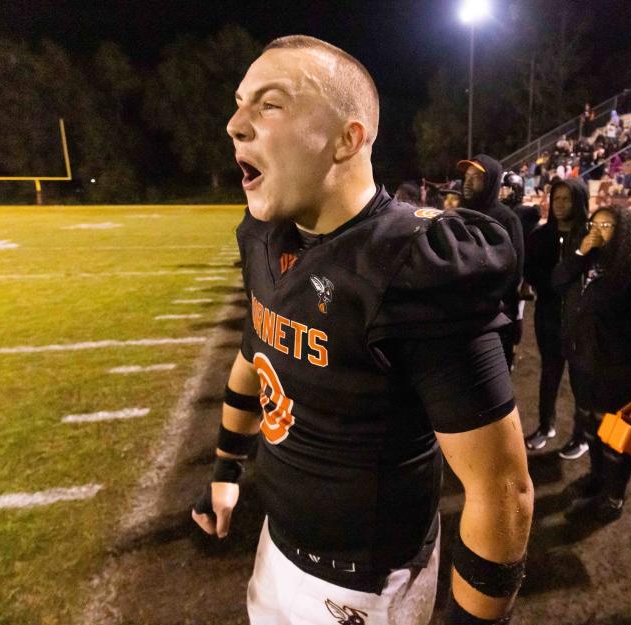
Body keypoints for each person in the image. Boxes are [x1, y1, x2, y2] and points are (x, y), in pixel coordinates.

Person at [193, 35, 533, 625]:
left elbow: (502, 490)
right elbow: (256, 353)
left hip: (366, 590)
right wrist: (226, 469)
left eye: (269, 104)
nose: (234, 124)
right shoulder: (264, 237)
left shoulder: (410, 263)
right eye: (240, 102)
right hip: (275, 544)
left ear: (347, 139)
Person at [552, 204, 631, 523]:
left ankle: (614, 495)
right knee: (589, 422)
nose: (597, 231)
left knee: (617, 434)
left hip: (618, 369)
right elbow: (557, 281)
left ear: (625, 232)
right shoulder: (588, 260)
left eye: (607, 226)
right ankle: (597, 476)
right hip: (583, 362)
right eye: (594, 224)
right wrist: (579, 252)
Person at [522, 178, 590, 457]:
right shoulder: (540, 236)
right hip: (548, 317)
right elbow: (531, 272)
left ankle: (581, 435)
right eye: (557, 199)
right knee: (549, 374)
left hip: (581, 322)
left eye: (567, 199)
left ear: (579, 201)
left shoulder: (589, 236)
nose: (560, 205)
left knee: (580, 379)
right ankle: (545, 426)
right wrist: (547, 284)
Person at [460, 155, 526, 371]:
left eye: (476, 177)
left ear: (492, 181)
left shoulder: (506, 219)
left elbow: (514, 271)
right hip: (461, 318)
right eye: (467, 176)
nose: (468, 181)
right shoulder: (458, 215)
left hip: (494, 319)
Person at [501, 171, 541, 237]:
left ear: (514, 190)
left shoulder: (522, 211)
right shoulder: (527, 211)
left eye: (506, 188)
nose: (502, 192)